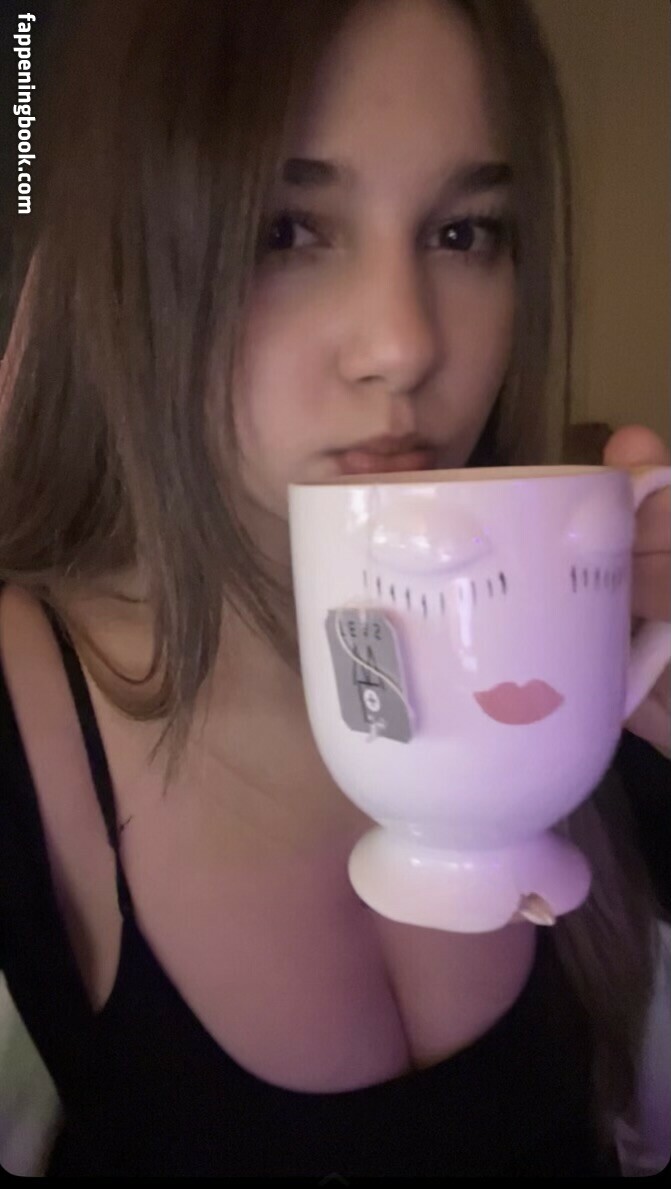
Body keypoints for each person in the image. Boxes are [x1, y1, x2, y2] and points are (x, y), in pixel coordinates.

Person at [0, 0, 669, 1177]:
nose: (403, 344)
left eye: (463, 232)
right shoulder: (26, 700)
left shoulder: (593, 626)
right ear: (136, 261)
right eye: (285, 229)